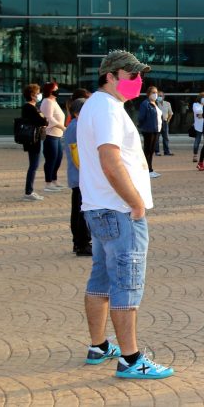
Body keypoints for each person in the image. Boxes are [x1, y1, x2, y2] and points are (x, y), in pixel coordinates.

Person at [77, 50, 173, 379]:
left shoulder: (97, 106)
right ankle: (131, 359)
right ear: (111, 75)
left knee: (101, 279)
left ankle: (99, 345)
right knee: (126, 285)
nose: (138, 82)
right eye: (132, 76)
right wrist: (135, 202)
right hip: (118, 210)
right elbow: (110, 160)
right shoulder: (107, 109)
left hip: (99, 207)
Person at [64, 97, 92, 257]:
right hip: (81, 176)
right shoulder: (76, 127)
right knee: (81, 213)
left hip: (80, 176)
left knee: (79, 211)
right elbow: (77, 155)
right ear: (77, 112)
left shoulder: (76, 126)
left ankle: (80, 242)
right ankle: (82, 243)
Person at [20, 83, 47, 201]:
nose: (39, 95)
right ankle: (28, 191)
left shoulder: (33, 107)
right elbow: (42, 121)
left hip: (36, 138)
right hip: (33, 139)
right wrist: (44, 120)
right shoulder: (29, 107)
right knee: (33, 166)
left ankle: (30, 190)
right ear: (32, 95)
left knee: (34, 165)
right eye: (37, 93)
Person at [39, 82, 66, 193]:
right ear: (49, 90)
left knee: (58, 158)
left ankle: (54, 180)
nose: (57, 90)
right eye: (55, 89)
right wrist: (62, 127)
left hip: (57, 135)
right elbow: (49, 118)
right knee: (51, 159)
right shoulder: (47, 102)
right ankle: (48, 183)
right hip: (50, 135)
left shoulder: (53, 101)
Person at [135, 87, 161, 179]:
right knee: (147, 151)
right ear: (149, 93)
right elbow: (141, 117)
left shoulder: (155, 103)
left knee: (151, 150)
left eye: (156, 92)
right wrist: (143, 126)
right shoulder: (145, 104)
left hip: (155, 130)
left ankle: (150, 169)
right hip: (148, 130)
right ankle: (146, 170)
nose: (155, 94)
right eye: (153, 92)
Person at [153, 91, 173, 156]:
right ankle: (157, 151)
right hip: (157, 122)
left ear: (164, 97)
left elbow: (170, 113)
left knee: (166, 137)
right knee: (157, 138)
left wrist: (168, 120)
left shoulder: (167, 103)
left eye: (161, 96)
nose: (160, 97)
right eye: (158, 96)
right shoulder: (154, 103)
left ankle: (166, 151)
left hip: (165, 122)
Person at [191, 92, 204, 163]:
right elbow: (197, 111)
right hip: (198, 126)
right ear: (200, 98)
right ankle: (195, 155)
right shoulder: (195, 104)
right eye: (203, 97)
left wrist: (202, 115)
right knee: (197, 141)